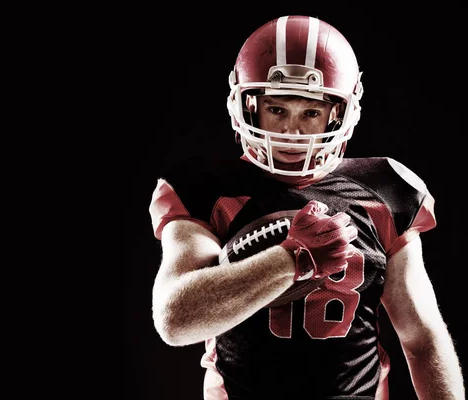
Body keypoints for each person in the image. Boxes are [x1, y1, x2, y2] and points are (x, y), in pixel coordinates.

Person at [148, 15, 465, 400]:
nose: (291, 133)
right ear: (249, 105)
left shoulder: (384, 190)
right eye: (277, 110)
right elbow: (175, 320)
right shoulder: (207, 189)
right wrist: (291, 261)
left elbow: (421, 337)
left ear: (338, 113)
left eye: (310, 113)